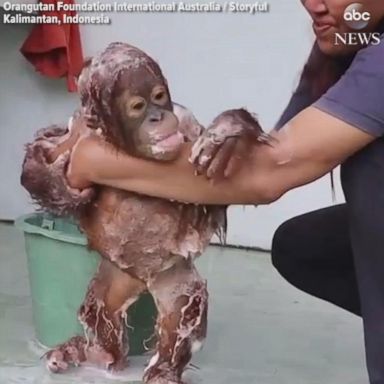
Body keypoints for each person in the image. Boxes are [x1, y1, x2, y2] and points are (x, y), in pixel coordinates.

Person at [65, 1, 384, 382]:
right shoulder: (352, 36)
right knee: (302, 247)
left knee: (372, 181)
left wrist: (91, 159)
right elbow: (270, 149)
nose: (314, 4)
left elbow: (267, 174)